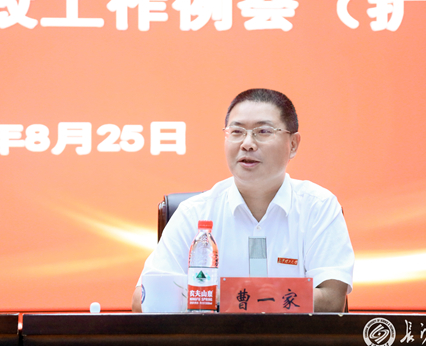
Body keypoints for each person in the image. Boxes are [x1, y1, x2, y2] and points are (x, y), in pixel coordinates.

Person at [132, 88, 354, 312]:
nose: (247, 143)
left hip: (294, 336)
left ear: (293, 144)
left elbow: (330, 300)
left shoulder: (318, 206)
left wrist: (216, 294)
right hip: (214, 336)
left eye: (263, 131)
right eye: (237, 132)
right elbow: (142, 300)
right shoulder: (194, 212)